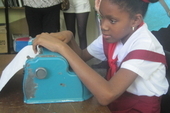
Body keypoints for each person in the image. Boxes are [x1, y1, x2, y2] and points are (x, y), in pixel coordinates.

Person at [32, 0, 169, 112]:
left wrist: (61, 48)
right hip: (114, 105)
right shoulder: (115, 34)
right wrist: (69, 36)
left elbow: (106, 95)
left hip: (138, 108)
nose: (103, 26)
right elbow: (81, 56)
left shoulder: (145, 46)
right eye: (101, 16)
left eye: (112, 20)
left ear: (135, 20)